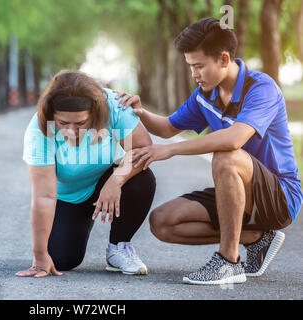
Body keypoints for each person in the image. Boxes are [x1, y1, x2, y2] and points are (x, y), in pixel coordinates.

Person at [116, 18, 302, 285]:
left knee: (226, 154)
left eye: (199, 66)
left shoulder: (261, 88)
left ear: (224, 59)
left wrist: (171, 151)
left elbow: (233, 139)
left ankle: (228, 262)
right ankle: (257, 238)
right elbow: (168, 127)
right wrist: (139, 111)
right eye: (191, 66)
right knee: (163, 222)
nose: (194, 74)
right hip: (240, 190)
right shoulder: (205, 94)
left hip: (280, 197)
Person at [16, 70, 156, 278]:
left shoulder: (114, 107)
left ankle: (119, 247)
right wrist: (39, 257)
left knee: (143, 178)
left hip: (105, 178)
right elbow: (44, 196)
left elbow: (142, 148)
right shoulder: (39, 130)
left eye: (80, 123)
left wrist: (116, 181)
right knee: (62, 259)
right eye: (63, 123)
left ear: (95, 113)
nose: (72, 131)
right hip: (69, 195)